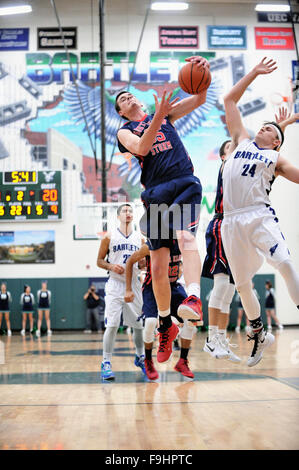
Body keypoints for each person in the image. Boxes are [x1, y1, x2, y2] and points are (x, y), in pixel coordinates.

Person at [116, 55, 209, 363]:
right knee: (157, 266)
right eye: (122, 100)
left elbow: (200, 96)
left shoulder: (165, 114)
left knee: (186, 238)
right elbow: (141, 148)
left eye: (129, 95)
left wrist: (202, 68)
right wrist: (159, 116)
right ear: (121, 112)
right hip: (155, 192)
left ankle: (193, 297)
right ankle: (166, 324)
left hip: (182, 181)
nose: (127, 98)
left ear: (138, 100)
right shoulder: (125, 131)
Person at [221, 57, 299, 367]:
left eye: (270, 128)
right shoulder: (240, 140)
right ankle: (258, 332)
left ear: (276, 143)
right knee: (241, 284)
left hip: (258, 215)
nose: (263, 126)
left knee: (285, 264)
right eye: (264, 124)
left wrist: (284, 125)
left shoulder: (275, 159)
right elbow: (229, 100)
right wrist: (253, 72)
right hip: (230, 221)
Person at [125, 239, 198, 381]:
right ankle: (147, 360)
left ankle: (182, 361)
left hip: (173, 286)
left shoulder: (182, 241)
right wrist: (128, 289)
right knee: (151, 322)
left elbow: (189, 263)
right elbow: (130, 261)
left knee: (191, 318)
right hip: (151, 287)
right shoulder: (150, 245)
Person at [201, 140, 240, 362]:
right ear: (224, 156)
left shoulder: (242, 172)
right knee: (221, 285)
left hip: (236, 232)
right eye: (231, 147)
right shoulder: (227, 165)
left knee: (230, 291)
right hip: (221, 226)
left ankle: (222, 340)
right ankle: (210, 339)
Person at [97, 203, 145, 380]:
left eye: (131, 211)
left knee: (139, 326)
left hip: (134, 284)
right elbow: (99, 261)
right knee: (112, 325)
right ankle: (106, 362)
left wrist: (143, 264)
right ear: (118, 216)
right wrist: (110, 265)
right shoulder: (109, 237)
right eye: (125, 211)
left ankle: (141, 357)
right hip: (115, 285)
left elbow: (143, 264)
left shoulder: (140, 239)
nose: (128, 213)